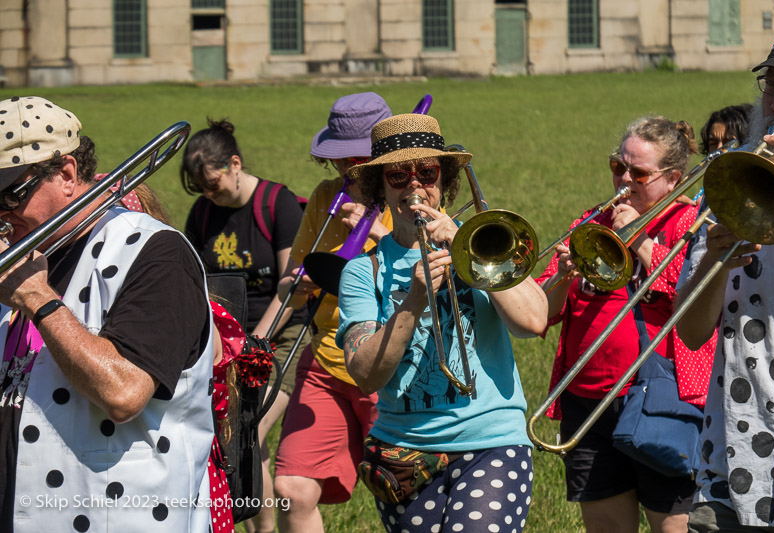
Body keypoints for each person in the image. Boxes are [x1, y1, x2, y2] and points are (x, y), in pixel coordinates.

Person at [0, 96, 214, 531]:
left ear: (65, 173)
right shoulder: (18, 256)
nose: (0, 212)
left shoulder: (155, 253)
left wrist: (38, 299)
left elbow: (125, 392)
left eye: (8, 193)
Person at [336, 113, 548, 533]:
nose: (414, 185)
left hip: (493, 443)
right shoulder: (363, 271)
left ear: (443, 179)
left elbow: (533, 321)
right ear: (381, 186)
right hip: (405, 455)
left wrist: (465, 245)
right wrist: (412, 303)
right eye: (398, 176)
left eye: (427, 172)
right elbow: (365, 375)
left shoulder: (479, 241)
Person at [535, 116, 717, 533]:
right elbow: (544, 311)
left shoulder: (690, 224)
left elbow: (693, 293)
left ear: (673, 179)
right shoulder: (593, 220)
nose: (624, 180)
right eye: (618, 166)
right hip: (588, 399)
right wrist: (562, 277)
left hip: (662, 399)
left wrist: (639, 241)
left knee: (673, 525)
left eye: (638, 173)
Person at [676, 25, 774, 532]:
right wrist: (713, 263)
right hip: (736, 456)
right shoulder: (728, 187)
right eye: (773, 88)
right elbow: (690, 332)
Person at [272, 92, 393, 533]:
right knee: (290, 490)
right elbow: (290, 282)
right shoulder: (326, 197)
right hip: (327, 359)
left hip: (391, 365)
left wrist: (378, 231)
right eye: (339, 161)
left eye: (355, 159)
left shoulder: (412, 194)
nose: (345, 170)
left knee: (402, 495)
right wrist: (300, 283)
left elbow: (430, 280)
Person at [180, 119, 307, 533]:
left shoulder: (277, 203)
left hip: (281, 332)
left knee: (245, 427)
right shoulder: (202, 214)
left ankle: (260, 528)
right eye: (201, 189)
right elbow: (194, 281)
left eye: (213, 184)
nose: (209, 195)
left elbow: (292, 286)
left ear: (235, 164)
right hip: (222, 336)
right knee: (242, 435)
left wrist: (256, 342)